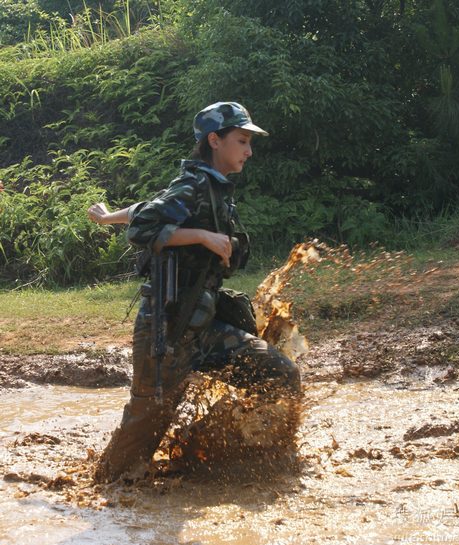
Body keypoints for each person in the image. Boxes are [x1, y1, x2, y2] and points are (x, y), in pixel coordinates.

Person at [88, 101, 301, 482]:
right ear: (214, 140)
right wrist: (201, 236)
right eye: (242, 140)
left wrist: (107, 216)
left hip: (203, 327)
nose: (249, 151)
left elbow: (144, 209)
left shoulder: (212, 187)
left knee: (279, 373)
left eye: (250, 142)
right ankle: (103, 491)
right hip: (166, 332)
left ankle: (253, 462)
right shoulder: (193, 184)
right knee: (138, 441)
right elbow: (142, 229)